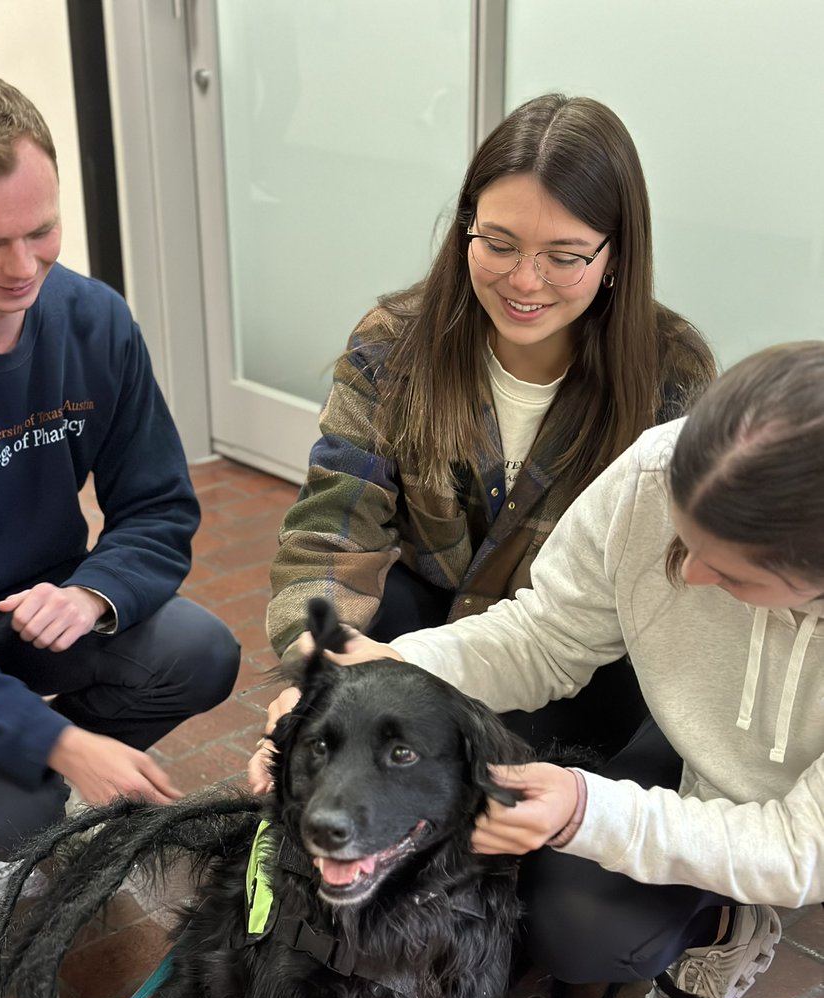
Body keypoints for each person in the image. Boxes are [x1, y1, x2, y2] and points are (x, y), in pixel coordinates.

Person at [255, 341, 824, 998]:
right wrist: (388, 672)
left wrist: (588, 809)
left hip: (804, 826)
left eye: (733, 572)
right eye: (682, 540)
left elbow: (800, 846)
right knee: (576, 920)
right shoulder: (658, 470)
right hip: (700, 754)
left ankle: (706, 966)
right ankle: (725, 925)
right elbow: (546, 634)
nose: (687, 575)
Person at [266, 92, 715, 758]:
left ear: (615, 255)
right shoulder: (395, 345)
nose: (524, 281)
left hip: (575, 648)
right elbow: (333, 526)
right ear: (466, 227)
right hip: (430, 614)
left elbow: (668, 586)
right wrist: (316, 662)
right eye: (499, 244)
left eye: (564, 256)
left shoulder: (669, 374)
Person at [0, 75, 240, 868]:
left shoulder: (93, 320)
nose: (22, 266)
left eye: (42, 229)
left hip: (43, 606)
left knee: (203, 652)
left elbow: (159, 507)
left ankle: (10, 763)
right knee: (23, 821)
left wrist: (90, 595)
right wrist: (64, 744)